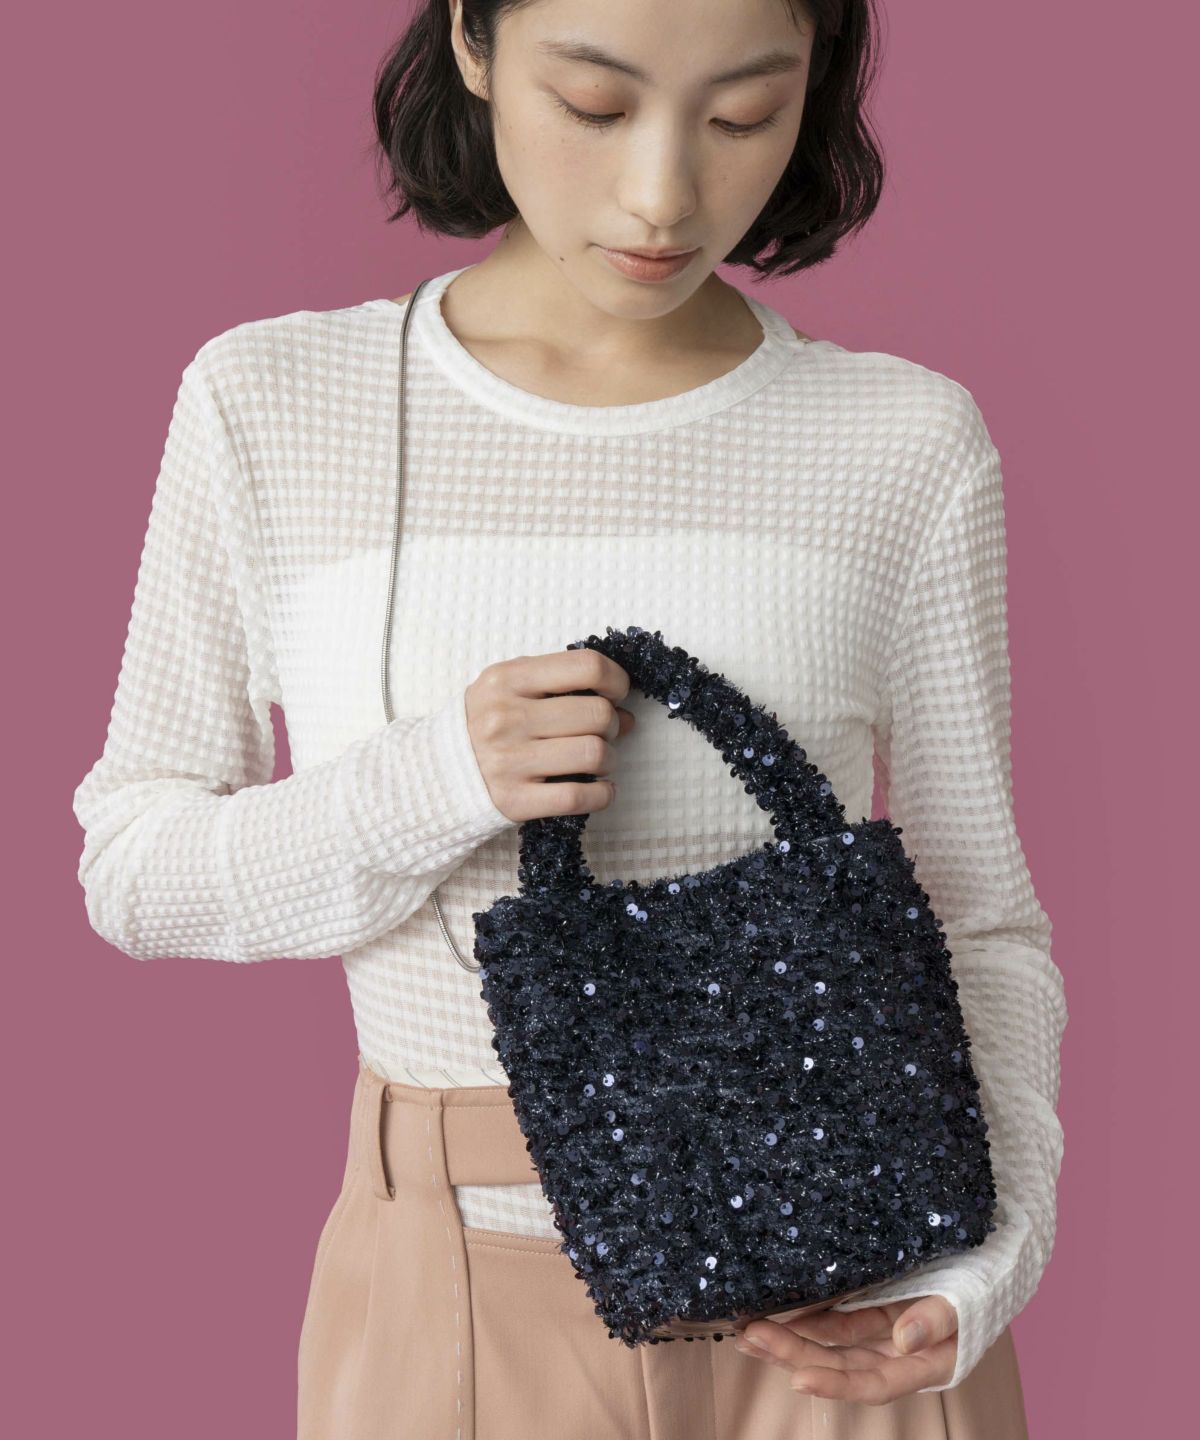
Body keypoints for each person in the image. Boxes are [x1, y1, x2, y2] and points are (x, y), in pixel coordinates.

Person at [71, 1, 1067, 1436]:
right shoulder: (274, 406)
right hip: (455, 1298)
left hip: (857, 1305)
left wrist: (986, 1268)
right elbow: (134, 870)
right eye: (595, 105)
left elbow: (982, 923)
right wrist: (435, 781)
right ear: (473, 42)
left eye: (743, 115)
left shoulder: (901, 443)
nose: (664, 194)